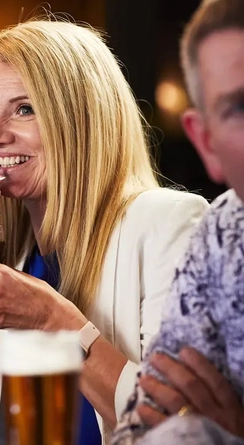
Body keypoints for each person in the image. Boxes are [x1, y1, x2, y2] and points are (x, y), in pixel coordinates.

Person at [0, 18, 208, 445]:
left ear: (81, 120)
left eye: (24, 108)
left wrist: (53, 321)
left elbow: (184, 426)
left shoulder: (170, 224)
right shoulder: (5, 259)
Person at [112, 0, 244, 443]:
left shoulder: (173, 221)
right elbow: (144, 424)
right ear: (206, 142)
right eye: (239, 108)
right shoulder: (220, 234)